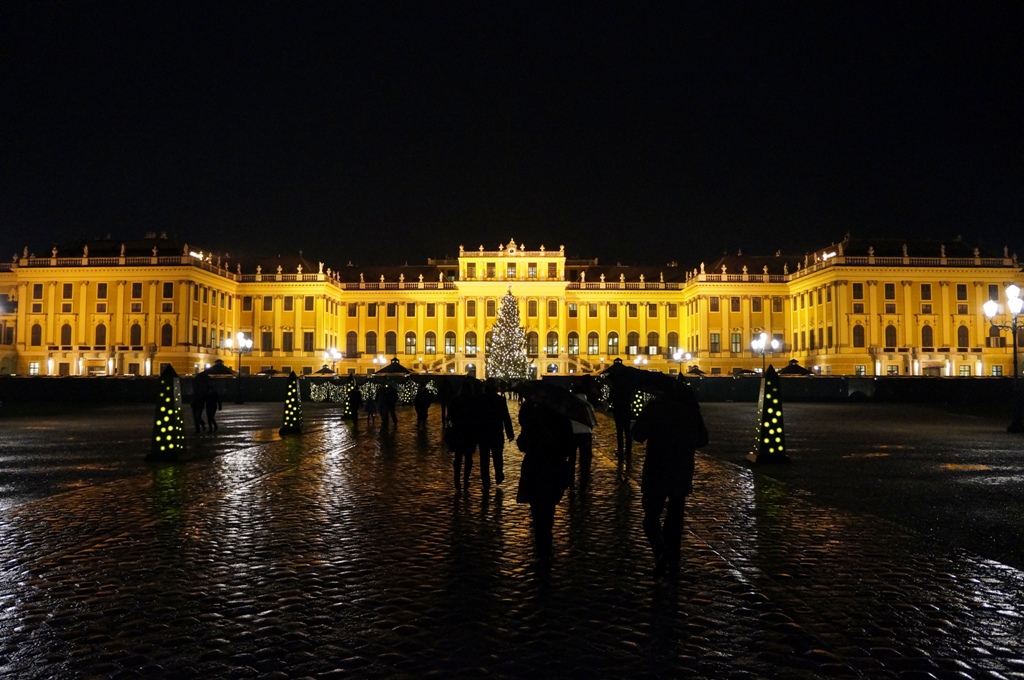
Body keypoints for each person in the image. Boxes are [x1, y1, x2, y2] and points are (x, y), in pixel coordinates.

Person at [632, 379, 709, 578]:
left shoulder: (657, 406)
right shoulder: (690, 409)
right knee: (675, 515)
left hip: (656, 467)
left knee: (651, 515)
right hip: (681, 468)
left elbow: (638, 434)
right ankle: (673, 555)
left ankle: (661, 551)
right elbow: (703, 439)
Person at [516, 398, 575, 566]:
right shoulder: (562, 421)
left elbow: (522, 444)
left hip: (535, 469)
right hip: (554, 469)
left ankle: (542, 546)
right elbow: (570, 445)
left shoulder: (534, 421)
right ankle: (546, 545)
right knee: (549, 509)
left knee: (537, 510)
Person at [479, 378, 515, 486]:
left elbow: (476, 417)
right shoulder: (500, 400)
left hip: (483, 432)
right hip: (496, 432)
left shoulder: (480, 399)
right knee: (498, 456)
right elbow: (506, 417)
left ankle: (485, 479)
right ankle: (499, 474)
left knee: (484, 458)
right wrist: (510, 433)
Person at [446, 380, 481, 491]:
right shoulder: (474, 401)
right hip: (470, 432)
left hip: (458, 431)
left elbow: (450, 415)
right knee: (468, 458)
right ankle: (466, 478)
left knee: (458, 457)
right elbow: (477, 417)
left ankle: (456, 478)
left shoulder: (456, 400)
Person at [568, 382, 594, 488]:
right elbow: (592, 421)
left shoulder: (569, 404)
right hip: (586, 433)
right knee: (585, 459)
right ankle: (584, 481)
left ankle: (570, 479)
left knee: (571, 458)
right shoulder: (588, 405)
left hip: (572, 433)